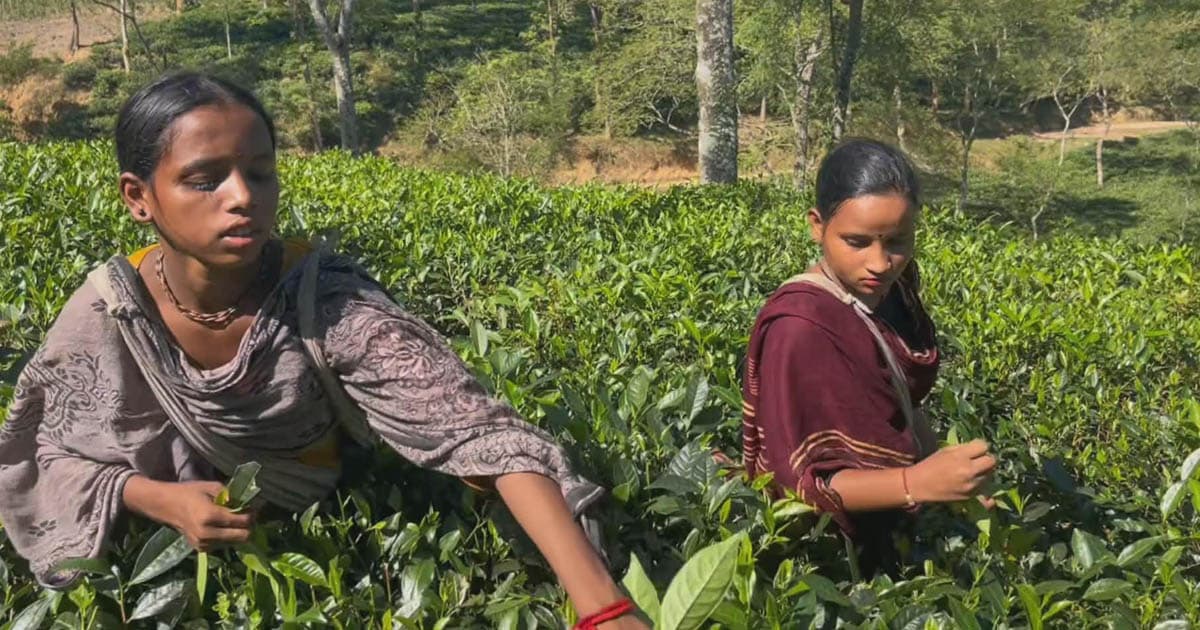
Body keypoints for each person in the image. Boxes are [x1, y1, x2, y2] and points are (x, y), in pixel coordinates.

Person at [0, 72, 643, 629]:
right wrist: (154, 498)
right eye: (204, 180)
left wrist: (604, 607)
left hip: (329, 524)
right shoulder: (109, 311)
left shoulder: (323, 300)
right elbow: (38, 452)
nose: (243, 197)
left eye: (259, 173)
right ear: (139, 197)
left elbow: (482, 433)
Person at [740, 139, 997, 575]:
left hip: (899, 532)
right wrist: (915, 483)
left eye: (897, 241)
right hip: (830, 560)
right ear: (817, 225)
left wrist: (950, 478)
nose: (880, 263)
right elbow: (800, 484)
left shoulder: (892, 292)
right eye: (856, 242)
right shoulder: (799, 327)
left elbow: (903, 402)